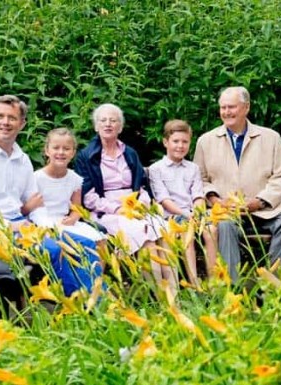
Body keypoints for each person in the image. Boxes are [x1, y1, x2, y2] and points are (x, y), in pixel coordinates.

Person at [0, 95, 101, 296]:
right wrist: (7, 226)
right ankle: (79, 304)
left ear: (22, 123)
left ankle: (97, 299)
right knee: (53, 249)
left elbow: (35, 203)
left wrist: (46, 226)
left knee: (86, 243)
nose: (5, 122)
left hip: (24, 228)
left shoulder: (22, 160)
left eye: (12, 118)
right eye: (0, 116)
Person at [192, 86, 281, 282]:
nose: (226, 112)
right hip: (226, 212)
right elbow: (200, 178)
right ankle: (232, 287)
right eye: (223, 107)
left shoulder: (271, 137)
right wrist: (216, 201)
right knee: (224, 225)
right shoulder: (205, 141)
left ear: (246, 107)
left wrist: (260, 201)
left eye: (231, 107)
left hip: (265, 211)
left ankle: (271, 283)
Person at [75, 103, 177, 291]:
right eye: (103, 120)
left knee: (163, 230)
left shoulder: (129, 153)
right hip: (106, 212)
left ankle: (173, 292)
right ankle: (160, 296)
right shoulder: (86, 156)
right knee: (147, 238)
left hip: (135, 207)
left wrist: (140, 204)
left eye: (113, 120)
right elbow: (88, 198)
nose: (108, 124)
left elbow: (141, 185)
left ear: (120, 127)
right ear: (96, 126)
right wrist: (118, 209)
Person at [149, 119, 218, 286]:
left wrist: (198, 212)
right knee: (187, 232)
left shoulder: (193, 168)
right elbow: (164, 199)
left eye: (185, 142)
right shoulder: (156, 169)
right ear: (165, 142)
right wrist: (186, 214)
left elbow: (198, 195)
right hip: (172, 216)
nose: (180, 146)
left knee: (211, 230)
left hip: (194, 213)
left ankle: (214, 281)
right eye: (176, 141)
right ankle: (194, 282)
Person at [33, 128, 105, 243]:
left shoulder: (75, 179)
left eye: (66, 149)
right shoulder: (36, 178)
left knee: (100, 240)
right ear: (47, 150)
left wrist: (73, 218)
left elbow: (77, 208)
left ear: (73, 153)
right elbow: (32, 208)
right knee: (72, 242)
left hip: (65, 221)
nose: (61, 152)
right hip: (43, 223)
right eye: (56, 148)